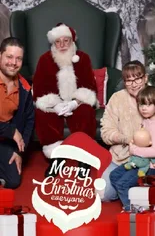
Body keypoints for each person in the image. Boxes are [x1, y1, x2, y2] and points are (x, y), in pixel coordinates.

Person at [33, 23, 98, 174]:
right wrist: (54, 105)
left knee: (86, 110)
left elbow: (90, 87)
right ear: (53, 43)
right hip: (55, 102)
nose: (62, 45)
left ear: (72, 40)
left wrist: (75, 103)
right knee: (42, 113)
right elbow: (39, 89)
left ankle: (83, 157)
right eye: (58, 41)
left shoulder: (83, 58)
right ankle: (57, 157)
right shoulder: (44, 60)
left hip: (77, 102)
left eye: (66, 40)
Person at [100, 60, 148, 201]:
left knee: (144, 196)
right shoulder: (117, 98)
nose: (134, 84)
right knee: (103, 194)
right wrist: (126, 139)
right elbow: (106, 132)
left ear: (145, 78)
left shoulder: (153, 96)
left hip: (149, 160)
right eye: (129, 80)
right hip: (120, 159)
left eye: (138, 78)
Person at [110, 85, 155, 210]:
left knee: (122, 183)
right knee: (114, 175)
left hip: (150, 167)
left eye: (148, 104)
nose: (144, 108)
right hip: (138, 162)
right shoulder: (146, 120)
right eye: (141, 105)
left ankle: (132, 210)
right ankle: (133, 199)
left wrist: (134, 150)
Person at [0, 37, 34, 188]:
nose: (14, 63)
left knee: (13, 181)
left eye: (18, 58)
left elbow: (29, 120)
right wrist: (11, 130)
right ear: (0, 55)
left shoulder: (25, 87)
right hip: (7, 132)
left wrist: (18, 151)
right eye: (9, 56)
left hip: (4, 140)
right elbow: (12, 130)